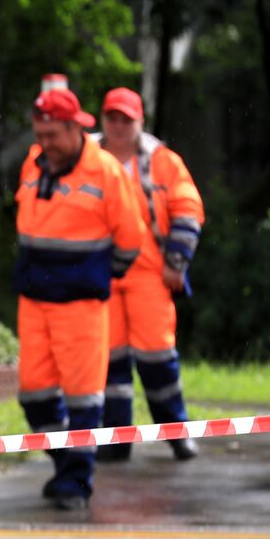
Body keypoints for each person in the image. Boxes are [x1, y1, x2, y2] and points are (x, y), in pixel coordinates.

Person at [15, 80, 145, 510]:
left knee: (84, 398)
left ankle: (75, 484)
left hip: (81, 305)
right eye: (39, 136)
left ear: (76, 128)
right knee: (34, 394)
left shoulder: (106, 171)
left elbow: (131, 239)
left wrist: (96, 277)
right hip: (34, 300)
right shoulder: (34, 164)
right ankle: (67, 463)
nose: (45, 144)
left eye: (52, 136)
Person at [93, 87, 205, 461]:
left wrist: (176, 262)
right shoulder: (85, 157)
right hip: (101, 272)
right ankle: (115, 441)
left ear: (140, 121)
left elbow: (188, 208)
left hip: (148, 272)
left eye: (127, 118)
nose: (119, 125)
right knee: (110, 361)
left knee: (158, 354)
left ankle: (176, 433)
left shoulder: (163, 161)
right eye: (113, 117)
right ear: (102, 119)